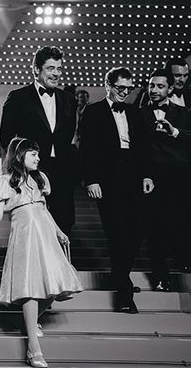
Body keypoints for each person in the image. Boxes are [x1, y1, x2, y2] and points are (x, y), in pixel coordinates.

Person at [0, 137, 83, 368]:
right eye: (33, 154)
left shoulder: (41, 178)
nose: (38, 158)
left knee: (55, 285)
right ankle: (33, 348)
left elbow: (44, 209)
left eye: (38, 154)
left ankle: (29, 324)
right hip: (25, 237)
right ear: (20, 156)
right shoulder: (5, 181)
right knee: (30, 289)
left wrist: (58, 231)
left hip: (46, 235)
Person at [79, 67, 154, 314]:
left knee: (138, 229)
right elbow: (87, 148)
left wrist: (147, 175)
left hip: (133, 176)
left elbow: (143, 147)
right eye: (121, 88)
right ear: (108, 86)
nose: (125, 92)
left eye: (129, 89)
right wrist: (91, 180)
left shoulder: (134, 112)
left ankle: (120, 274)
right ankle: (124, 293)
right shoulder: (93, 112)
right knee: (117, 233)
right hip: (107, 179)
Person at [0, 46, 77, 237]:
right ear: (36, 69)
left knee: (64, 223)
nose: (56, 73)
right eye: (50, 68)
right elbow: (6, 137)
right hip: (30, 173)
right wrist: (22, 165)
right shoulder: (18, 97)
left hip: (62, 173)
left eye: (59, 69)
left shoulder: (69, 99)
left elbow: (67, 137)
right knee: (33, 228)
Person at [140, 69, 191, 287]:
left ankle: (184, 262)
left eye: (160, 86)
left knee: (181, 222)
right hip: (153, 179)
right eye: (151, 85)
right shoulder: (139, 113)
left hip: (181, 177)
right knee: (155, 227)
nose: (154, 90)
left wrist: (174, 132)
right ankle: (160, 276)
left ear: (170, 89)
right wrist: (145, 175)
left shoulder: (185, 113)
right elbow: (138, 149)